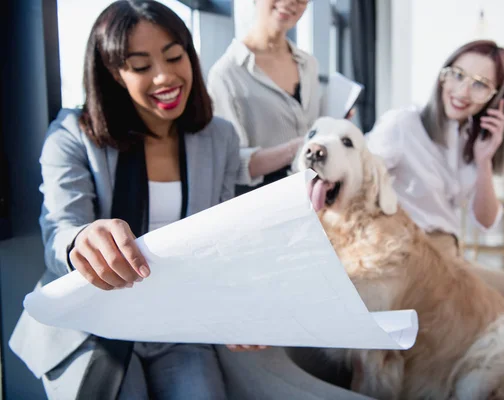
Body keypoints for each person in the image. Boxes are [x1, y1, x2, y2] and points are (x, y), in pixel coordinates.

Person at [8, 1, 240, 398]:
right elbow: (60, 231)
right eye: (140, 65)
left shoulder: (220, 138)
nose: (165, 76)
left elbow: (224, 239)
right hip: (95, 323)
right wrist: (83, 243)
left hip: (178, 323)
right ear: (114, 74)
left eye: (174, 56)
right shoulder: (71, 135)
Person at [366, 40, 504, 399]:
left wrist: (485, 159)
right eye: (457, 75)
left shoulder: (470, 138)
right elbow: (364, 176)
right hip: (421, 262)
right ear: (443, 76)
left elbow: (486, 220)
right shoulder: (402, 125)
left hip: (456, 263)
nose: (463, 91)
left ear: (495, 98)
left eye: (480, 84)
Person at [207, 0, 323, 195]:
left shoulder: (308, 64)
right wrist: (297, 148)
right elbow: (233, 163)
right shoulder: (226, 74)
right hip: (266, 204)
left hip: (313, 197)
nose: (291, 3)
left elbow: (315, 125)